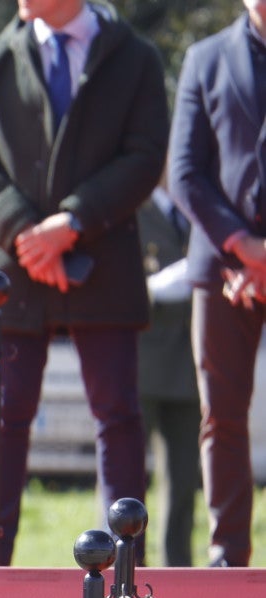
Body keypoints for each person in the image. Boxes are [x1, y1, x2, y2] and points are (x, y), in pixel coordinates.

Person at [0, 0, 166, 565]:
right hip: (11, 269)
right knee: (2, 417)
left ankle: (125, 568)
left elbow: (145, 156)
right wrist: (29, 234)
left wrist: (72, 223)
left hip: (102, 258)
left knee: (117, 415)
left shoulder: (136, 59)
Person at [169, 1, 266, 567]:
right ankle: (228, 556)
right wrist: (244, 248)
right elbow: (184, 172)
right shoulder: (204, 59)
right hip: (222, 267)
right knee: (222, 417)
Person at [136, 189, 200, 567]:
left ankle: (179, 571)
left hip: (188, 361)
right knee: (125, 477)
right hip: (140, 359)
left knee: (182, 484)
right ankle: (121, 570)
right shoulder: (133, 206)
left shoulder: (196, 206)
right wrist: (156, 287)